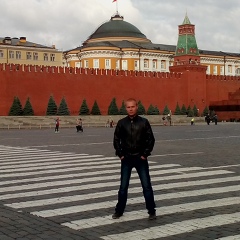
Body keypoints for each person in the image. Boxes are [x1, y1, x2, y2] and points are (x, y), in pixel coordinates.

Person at [113, 98, 156, 220]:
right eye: (128, 107)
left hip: (140, 158)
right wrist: (121, 154)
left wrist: (145, 154)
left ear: (137, 107)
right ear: (125, 108)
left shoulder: (144, 122)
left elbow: (151, 139)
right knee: (123, 187)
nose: (130, 109)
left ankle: (151, 210)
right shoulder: (122, 123)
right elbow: (116, 140)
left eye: (132, 106)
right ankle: (119, 210)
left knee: (146, 186)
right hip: (126, 158)